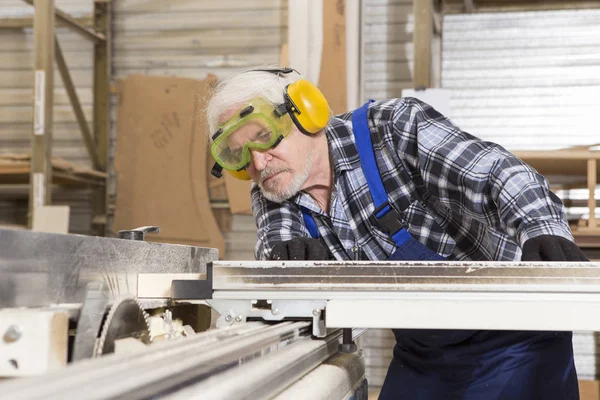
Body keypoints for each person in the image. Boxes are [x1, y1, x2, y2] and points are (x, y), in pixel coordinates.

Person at [206, 66, 589, 400]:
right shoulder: (274, 189)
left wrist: (541, 229)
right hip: (425, 353)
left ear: (306, 113)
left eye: (264, 136)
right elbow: (277, 247)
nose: (258, 162)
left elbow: (494, 172)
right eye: (238, 155)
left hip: (515, 339)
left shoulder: (391, 129)